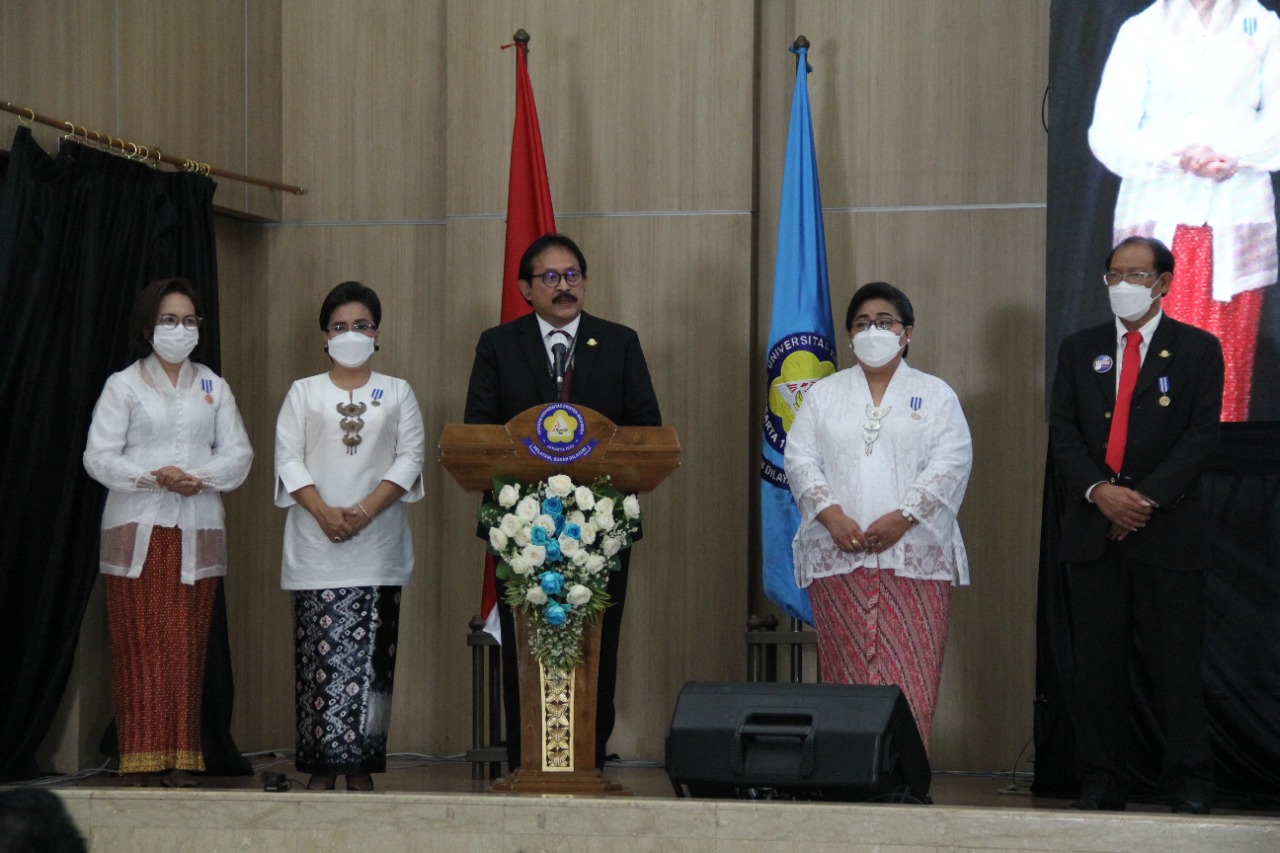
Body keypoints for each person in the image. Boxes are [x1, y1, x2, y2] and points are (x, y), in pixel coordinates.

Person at [464, 233, 662, 771]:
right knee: (524, 646)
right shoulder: (498, 345)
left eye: (572, 274)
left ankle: (587, 758)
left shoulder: (618, 343)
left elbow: (645, 430)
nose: (564, 286)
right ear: (526, 289)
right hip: (520, 528)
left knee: (600, 641)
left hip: (602, 530)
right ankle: (527, 758)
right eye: (550, 277)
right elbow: (479, 432)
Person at [1050, 236, 1224, 813]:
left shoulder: (1198, 348)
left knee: (1175, 663)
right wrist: (1101, 494)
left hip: (1166, 533)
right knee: (1097, 665)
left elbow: (1201, 438)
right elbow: (1065, 433)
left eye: (1137, 274)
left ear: (1165, 282)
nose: (1124, 285)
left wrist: (1141, 501)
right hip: (1092, 530)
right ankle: (1101, 777)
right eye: (1115, 274)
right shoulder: (1079, 349)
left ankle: (1188, 780)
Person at [784, 282, 972, 750]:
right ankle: (848, 776)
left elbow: (952, 461)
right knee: (846, 675)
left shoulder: (934, 394)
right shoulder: (824, 395)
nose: (874, 331)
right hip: (839, 556)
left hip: (914, 558)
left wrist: (905, 516)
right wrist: (829, 515)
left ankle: (902, 778)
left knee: (911, 672)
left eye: (885, 322)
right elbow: (800, 459)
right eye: (862, 323)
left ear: (906, 333)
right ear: (849, 334)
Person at [83, 277, 253, 788]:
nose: (179, 329)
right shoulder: (124, 384)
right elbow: (98, 456)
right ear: (147, 326)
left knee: (185, 644)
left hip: (196, 530)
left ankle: (182, 757)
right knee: (140, 643)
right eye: (168, 319)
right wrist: (151, 476)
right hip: (138, 531)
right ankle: (139, 757)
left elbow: (239, 454)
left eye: (188, 320)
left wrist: (197, 479)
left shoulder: (212, 386)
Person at [1088, 0, 1280, 421]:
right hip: (1159, 220)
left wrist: (1234, 155)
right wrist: (1176, 158)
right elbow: (1109, 133)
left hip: (1236, 220)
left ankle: (1222, 468)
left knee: (1227, 375)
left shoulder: (1262, 24)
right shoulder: (1141, 30)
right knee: (1154, 370)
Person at [274, 281, 425, 792]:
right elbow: (288, 459)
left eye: (361, 325)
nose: (351, 334)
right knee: (319, 660)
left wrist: (360, 512)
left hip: (378, 551)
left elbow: (410, 459)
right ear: (325, 336)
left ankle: (361, 770)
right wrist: (324, 513)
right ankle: (320, 769)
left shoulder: (398, 391)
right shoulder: (303, 391)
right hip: (316, 549)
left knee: (372, 663)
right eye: (340, 326)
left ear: (377, 334)